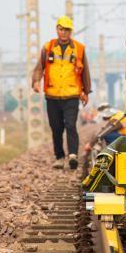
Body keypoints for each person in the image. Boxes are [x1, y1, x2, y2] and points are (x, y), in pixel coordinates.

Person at [32, 15, 91, 170]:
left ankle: (72, 155)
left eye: (67, 30)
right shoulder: (48, 47)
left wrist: (86, 91)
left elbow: (85, 72)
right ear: (57, 29)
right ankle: (59, 157)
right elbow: (39, 67)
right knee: (56, 127)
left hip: (72, 94)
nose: (63, 32)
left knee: (70, 124)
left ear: (71, 31)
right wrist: (36, 81)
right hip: (52, 95)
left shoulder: (79, 48)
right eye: (61, 29)